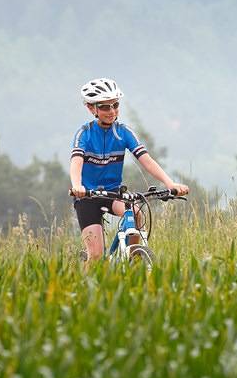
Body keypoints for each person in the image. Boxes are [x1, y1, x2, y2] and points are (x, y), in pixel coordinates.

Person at [69, 78, 188, 264]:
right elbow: (76, 161)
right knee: (97, 257)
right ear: (92, 108)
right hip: (87, 197)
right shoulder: (84, 133)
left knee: (135, 212)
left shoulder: (124, 132)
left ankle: (133, 262)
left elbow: (146, 160)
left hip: (113, 194)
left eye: (115, 105)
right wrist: (77, 186)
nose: (112, 111)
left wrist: (169, 183)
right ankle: (86, 288)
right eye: (105, 107)